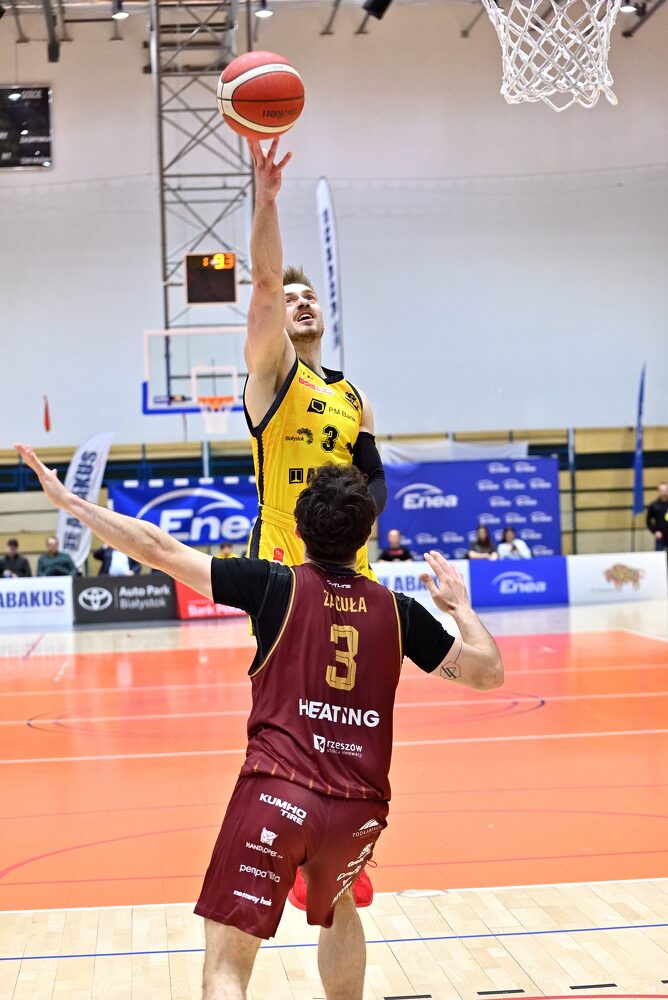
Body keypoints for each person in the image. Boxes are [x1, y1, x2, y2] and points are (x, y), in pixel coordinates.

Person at [15, 443, 503, 1000]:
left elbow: (157, 547)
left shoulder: (275, 586)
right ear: (367, 535)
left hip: (278, 793)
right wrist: (461, 609)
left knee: (227, 966)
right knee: (339, 903)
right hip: (358, 809)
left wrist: (72, 502)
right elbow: (487, 673)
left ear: (297, 529)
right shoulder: (400, 612)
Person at [243, 138, 387, 578]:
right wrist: (267, 201)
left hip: (348, 551)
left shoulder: (355, 396)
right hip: (284, 546)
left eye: (309, 296)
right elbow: (266, 281)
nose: (302, 302)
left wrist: (351, 525)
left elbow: (376, 479)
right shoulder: (272, 371)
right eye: (290, 301)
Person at [646, 482, 668, 556]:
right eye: (662, 490)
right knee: (659, 556)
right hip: (660, 536)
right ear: (658, 491)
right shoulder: (654, 505)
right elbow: (648, 521)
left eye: (665, 490)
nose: (664, 492)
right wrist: (655, 532)